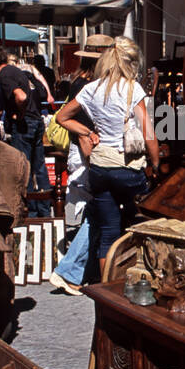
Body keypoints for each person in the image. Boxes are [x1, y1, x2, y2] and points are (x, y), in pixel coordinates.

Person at [55, 35, 159, 272]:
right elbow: (149, 135)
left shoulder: (91, 88)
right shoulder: (133, 89)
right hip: (127, 171)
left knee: (108, 233)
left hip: (100, 169)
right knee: (142, 215)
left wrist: (87, 132)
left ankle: (106, 289)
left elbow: (61, 118)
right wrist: (156, 164)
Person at [47, 35, 113, 295]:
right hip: (88, 152)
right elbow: (79, 122)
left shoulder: (79, 82)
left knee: (95, 211)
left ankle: (86, 270)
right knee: (97, 212)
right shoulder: (89, 86)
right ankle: (70, 271)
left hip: (82, 151)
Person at [0, 46, 53, 216]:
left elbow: (21, 96)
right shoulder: (14, 70)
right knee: (38, 167)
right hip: (36, 120)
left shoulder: (4, 75)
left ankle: (30, 210)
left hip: (26, 123)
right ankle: (44, 209)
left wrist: (20, 114)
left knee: (24, 168)